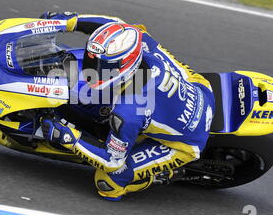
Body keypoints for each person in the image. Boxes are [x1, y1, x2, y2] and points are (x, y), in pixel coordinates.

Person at [40, 12, 215, 201]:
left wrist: (69, 138)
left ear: (123, 69)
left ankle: (161, 175)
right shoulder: (138, 38)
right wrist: (68, 22)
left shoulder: (128, 112)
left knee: (107, 182)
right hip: (200, 86)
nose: (91, 67)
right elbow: (113, 24)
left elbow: (111, 161)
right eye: (93, 62)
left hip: (186, 142)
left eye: (100, 66)